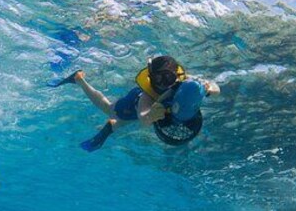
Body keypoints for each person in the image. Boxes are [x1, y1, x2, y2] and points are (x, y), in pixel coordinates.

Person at [48, 55, 220, 151]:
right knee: (108, 108)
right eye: (157, 78)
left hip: (152, 108)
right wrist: (151, 115)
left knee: (123, 120)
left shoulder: (185, 83)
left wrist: (209, 88)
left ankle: (112, 126)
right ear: (150, 77)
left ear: (177, 76)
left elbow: (215, 87)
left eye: (167, 78)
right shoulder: (146, 95)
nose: (162, 84)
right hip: (132, 104)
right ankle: (79, 80)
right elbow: (143, 118)